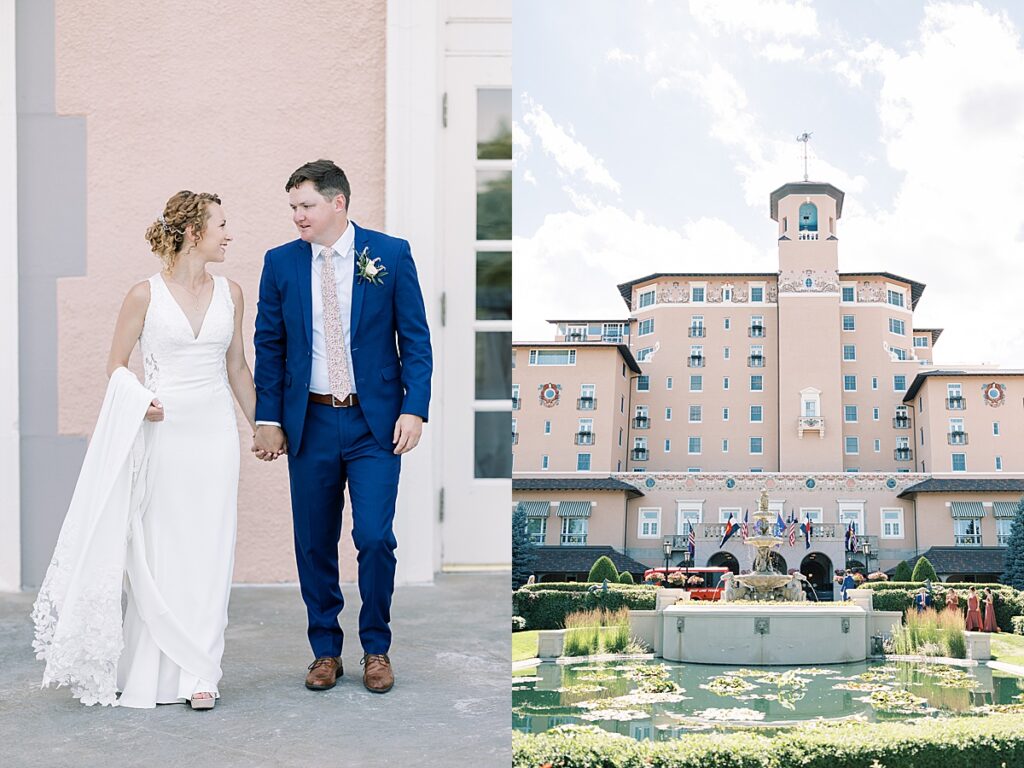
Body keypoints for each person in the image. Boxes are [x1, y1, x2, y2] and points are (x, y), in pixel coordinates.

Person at [33, 191, 256, 709]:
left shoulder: (233, 293)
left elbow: (237, 368)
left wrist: (262, 426)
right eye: (222, 225)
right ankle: (151, 667)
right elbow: (115, 365)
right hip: (163, 433)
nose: (230, 234)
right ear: (194, 233)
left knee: (212, 548)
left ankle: (202, 672)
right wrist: (141, 400)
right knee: (161, 550)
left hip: (215, 435)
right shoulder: (143, 295)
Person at [253, 160, 432, 694]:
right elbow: (269, 345)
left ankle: (376, 647)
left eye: (305, 206)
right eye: (292, 208)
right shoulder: (280, 263)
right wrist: (269, 417)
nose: (297, 217)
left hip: (372, 423)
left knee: (375, 537)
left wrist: (414, 408)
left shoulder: (390, 254)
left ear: (338, 203)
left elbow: (416, 341)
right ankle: (325, 651)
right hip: (308, 419)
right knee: (313, 542)